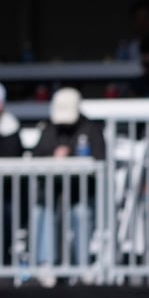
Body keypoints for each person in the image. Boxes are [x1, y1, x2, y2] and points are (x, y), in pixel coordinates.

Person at [30, 87, 105, 273]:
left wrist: (70, 154)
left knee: (81, 214)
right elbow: (36, 155)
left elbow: (100, 159)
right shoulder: (50, 128)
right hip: (51, 191)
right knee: (42, 212)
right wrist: (53, 157)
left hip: (81, 193)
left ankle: (82, 265)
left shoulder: (91, 128)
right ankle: (46, 265)